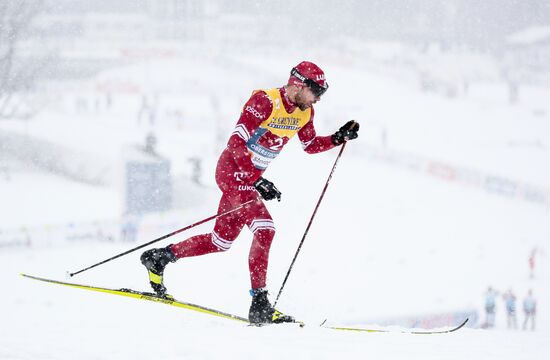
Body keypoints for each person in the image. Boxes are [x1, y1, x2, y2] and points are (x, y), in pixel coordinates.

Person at [140, 61, 359, 324]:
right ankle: (260, 303)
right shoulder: (265, 101)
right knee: (265, 229)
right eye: (316, 92)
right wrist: (256, 181)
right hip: (232, 171)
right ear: (299, 84)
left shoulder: (305, 113)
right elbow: (236, 142)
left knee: (220, 242)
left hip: (249, 177)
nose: (318, 99)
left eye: (321, 94)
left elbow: (310, 145)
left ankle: (160, 257)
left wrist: (338, 137)